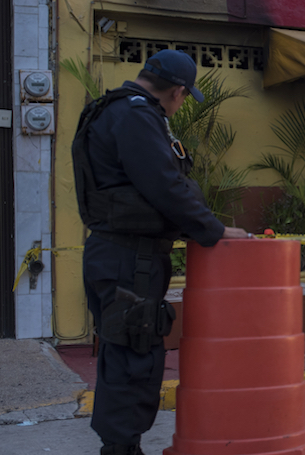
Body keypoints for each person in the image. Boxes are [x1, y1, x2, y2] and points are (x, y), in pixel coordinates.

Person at [72, 49, 252, 455]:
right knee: (135, 353)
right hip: (129, 258)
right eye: (185, 97)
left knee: (124, 350)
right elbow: (164, 186)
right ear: (177, 91)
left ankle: (120, 444)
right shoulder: (136, 116)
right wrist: (215, 230)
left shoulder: (114, 109)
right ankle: (121, 449)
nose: (182, 104)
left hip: (118, 253)